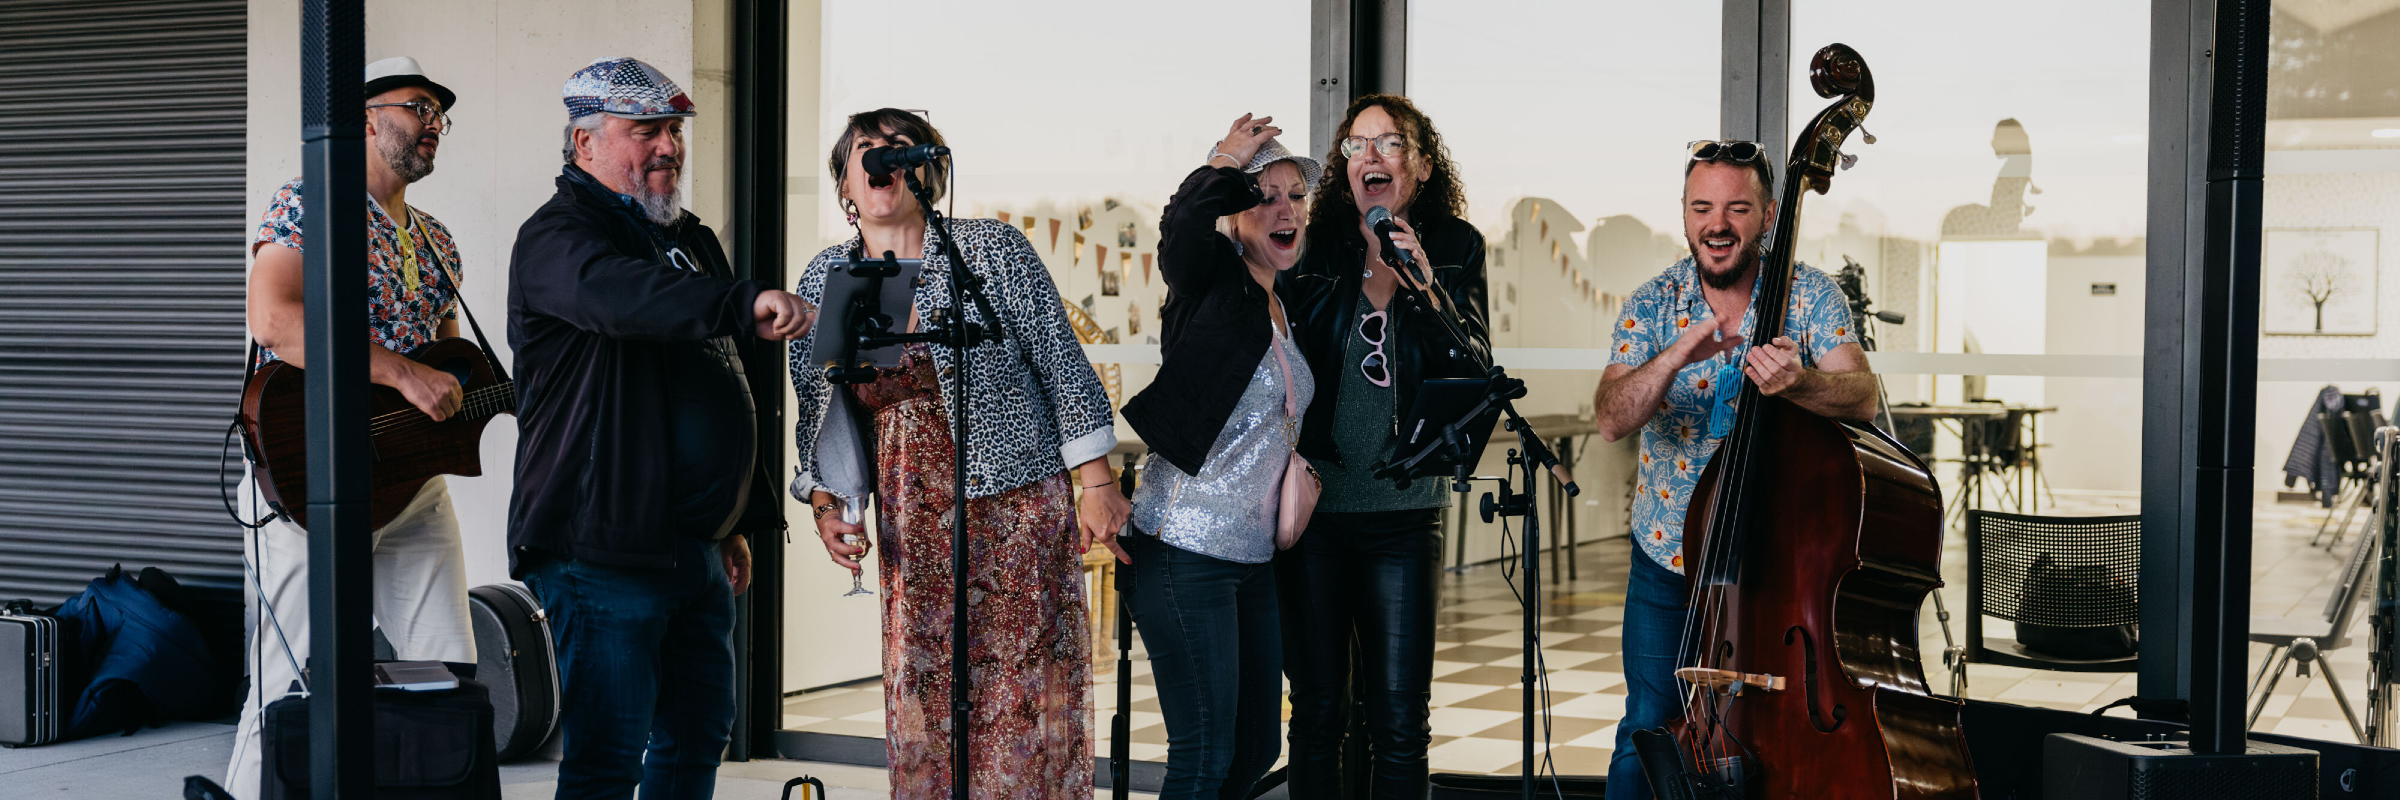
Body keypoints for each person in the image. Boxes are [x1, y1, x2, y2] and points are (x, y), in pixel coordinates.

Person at [789, 108, 1127, 799]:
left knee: (1022, 691)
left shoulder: (988, 250)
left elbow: (1062, 366)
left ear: (927, 170)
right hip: (913, 516)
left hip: (1016, 506)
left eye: (898, 150)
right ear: (846, 182)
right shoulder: (831, 275)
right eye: (867, 152)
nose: (884, 162)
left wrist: (1097, 483)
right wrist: (826, 502)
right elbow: (817, 403)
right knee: (926, 685)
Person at [506, 57, 814, 800]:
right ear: (585, 143)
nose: (670, 147)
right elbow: (625, 300)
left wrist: (737, 518)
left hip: (693, 545)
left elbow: (724, 379)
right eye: (646, 130)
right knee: (608, 758)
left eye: (674, 130)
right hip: (603, 546)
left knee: (697, 733)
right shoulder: (558, 239)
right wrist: (740, 301)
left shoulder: (689, 238)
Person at [1592, 140, 1879, 800]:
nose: (1717, 224)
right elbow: (1611, 417)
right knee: (1650, 726)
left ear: (1769, 215)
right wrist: (1675, 356)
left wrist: (1800, 383)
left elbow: (1862, 396)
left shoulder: (1811, 297)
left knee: (1776, 732)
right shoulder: (1654, 302)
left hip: (1778, 567)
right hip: (1669, 560)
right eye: (1702, 207)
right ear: (1686, 214)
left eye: (1737, 208)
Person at [226, 55, 472, 800]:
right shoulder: (309, 203)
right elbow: (274, 319)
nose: (432, 125)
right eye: (416, 108)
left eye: (439, 114)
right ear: (367, 118)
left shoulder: (434, 239)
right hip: (311, 479)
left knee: (447, 669)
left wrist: (451, 395)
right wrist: (399, 372)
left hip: (409, 486)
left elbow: (445, 355)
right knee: (290, 679)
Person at [1279, 93, 1489, 799]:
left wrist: (1426, 288)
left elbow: (1474, 364)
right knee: (1316, 714)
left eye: (1390, 143)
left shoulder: (1455, 246)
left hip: (1405, 514)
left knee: (1401, 722)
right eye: (1356, 145)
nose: (1370, 156)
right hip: (1315, 516)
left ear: (1422, 166)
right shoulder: (1310, 247)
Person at [1118, 114, 1320, 800]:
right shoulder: (1210, 284)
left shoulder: (1282, 301)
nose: (1285, 208)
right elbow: (1179, 240)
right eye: (1266, 196)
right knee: (1204, 755)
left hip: (1252, 559)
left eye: (1295, 194)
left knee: (1258, 744)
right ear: (1234, 215)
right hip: (1184, 548)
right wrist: (1224, 162)